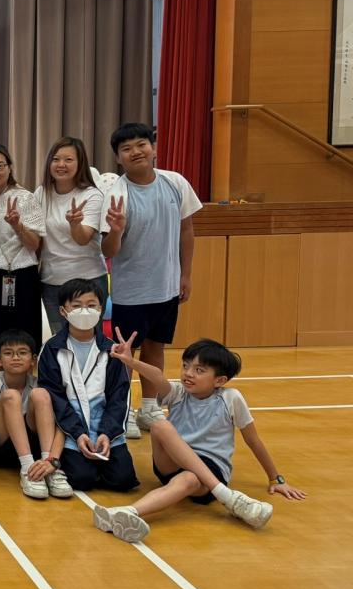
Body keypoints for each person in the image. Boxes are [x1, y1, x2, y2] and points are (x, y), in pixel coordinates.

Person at [93, 338, 303, 543]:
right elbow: (157, 376)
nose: (188, 373)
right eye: (185, 366)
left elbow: (253, 440)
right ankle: (227, 497)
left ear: (220, 380)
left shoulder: (231, 398)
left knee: (189, 479)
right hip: (172, 462)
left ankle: (124, 512)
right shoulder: (178, 393)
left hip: (211, 468)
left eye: (199, 370)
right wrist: (131, 362)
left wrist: (276, 479)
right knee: (159, 425)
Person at [101, 123, 202, 433]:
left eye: (141, 144)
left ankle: (149, 407)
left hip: (167, 288)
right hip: (130, 292)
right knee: (124, 354)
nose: (136, 152)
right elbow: (108, 250)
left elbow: (187, 230)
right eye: (127, 148)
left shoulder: (175, 182)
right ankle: (122, 411)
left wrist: (185, 274)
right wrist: (116, 230)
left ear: (153, 148)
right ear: (118, 157)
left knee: (156, 348)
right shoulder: (116, 193)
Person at [36, 279, 138, 494]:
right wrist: (78, 433)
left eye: (91, 305)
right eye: (76, 305)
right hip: (71, 429)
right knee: (82, 479)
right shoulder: (52, 349)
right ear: (63, 311)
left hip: (104, 426)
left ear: (101, 309)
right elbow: (55, 397)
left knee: (123, 479)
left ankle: (100, 454)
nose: (85, 311)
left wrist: (107, 433)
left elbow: (120, 396)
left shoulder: (112, 350)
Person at [0, 330, 72, 500]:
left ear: (33, 360)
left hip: (35, 449)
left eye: (22, 353)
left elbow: (62, 425)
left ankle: (48, 469)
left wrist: (53, 461)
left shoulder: (39, 383)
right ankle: (28, 470)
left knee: (41, 394)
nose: (16, 357)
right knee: (11, 396)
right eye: (8, 353)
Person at [0, 144, 44, 357]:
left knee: (21, 339)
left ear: (9, 168)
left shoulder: (24, 198)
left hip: (19, 276)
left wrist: (17, 225)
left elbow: (34, 245)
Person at [32, 137, 108, 333]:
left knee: (89, 339)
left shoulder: (91, 195)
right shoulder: (41, 193)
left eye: (68, 160)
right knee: (60, 338)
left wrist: (75, 224)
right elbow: (38, 239)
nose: (61, 164)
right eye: (56, 159)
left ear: (80, 163)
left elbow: (83, 238)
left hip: (88, 281)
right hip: (52, 281)